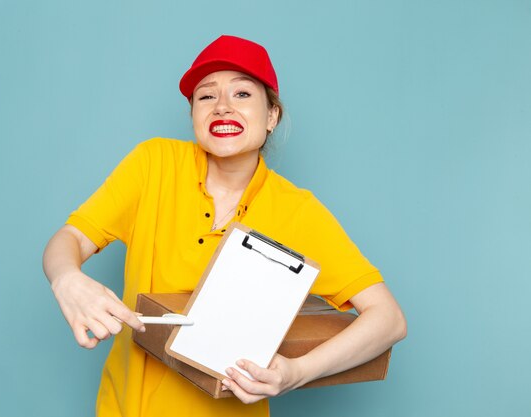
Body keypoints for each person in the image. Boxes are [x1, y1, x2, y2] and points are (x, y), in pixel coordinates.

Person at [43, 35, 407, 417]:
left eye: (242, 94)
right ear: (193, 116)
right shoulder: (154, 164)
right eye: (206, 96)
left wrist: (297, 372)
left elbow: (389, 320)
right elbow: (70, 239)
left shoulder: (298, 211)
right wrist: (66, 278)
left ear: (271, 117)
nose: (222, 107)